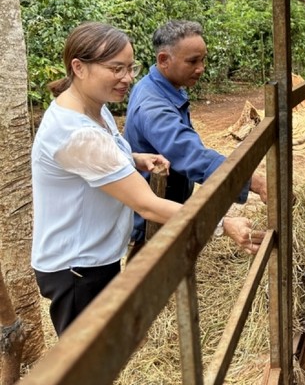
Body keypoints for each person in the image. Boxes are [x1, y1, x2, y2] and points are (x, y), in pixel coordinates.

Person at [30, 22, 264, 336]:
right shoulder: (79, 132)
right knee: (89, 367)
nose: (128, 78)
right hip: (77, 269)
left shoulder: (94, 111)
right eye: (116, 69)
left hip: (96, 256)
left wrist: (134, 158)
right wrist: (222, 223)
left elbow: (102, 155)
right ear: (79, 67)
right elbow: (148, 206)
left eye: (130, 67)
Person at [124, 20, 267, 248]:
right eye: (192, 61)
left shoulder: (163, 88)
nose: (201, 68)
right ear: (163, 60)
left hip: (169, 212)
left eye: (203, 59)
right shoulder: (153, 106)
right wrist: (252, 181)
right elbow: (191, 154)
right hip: (153, 224)